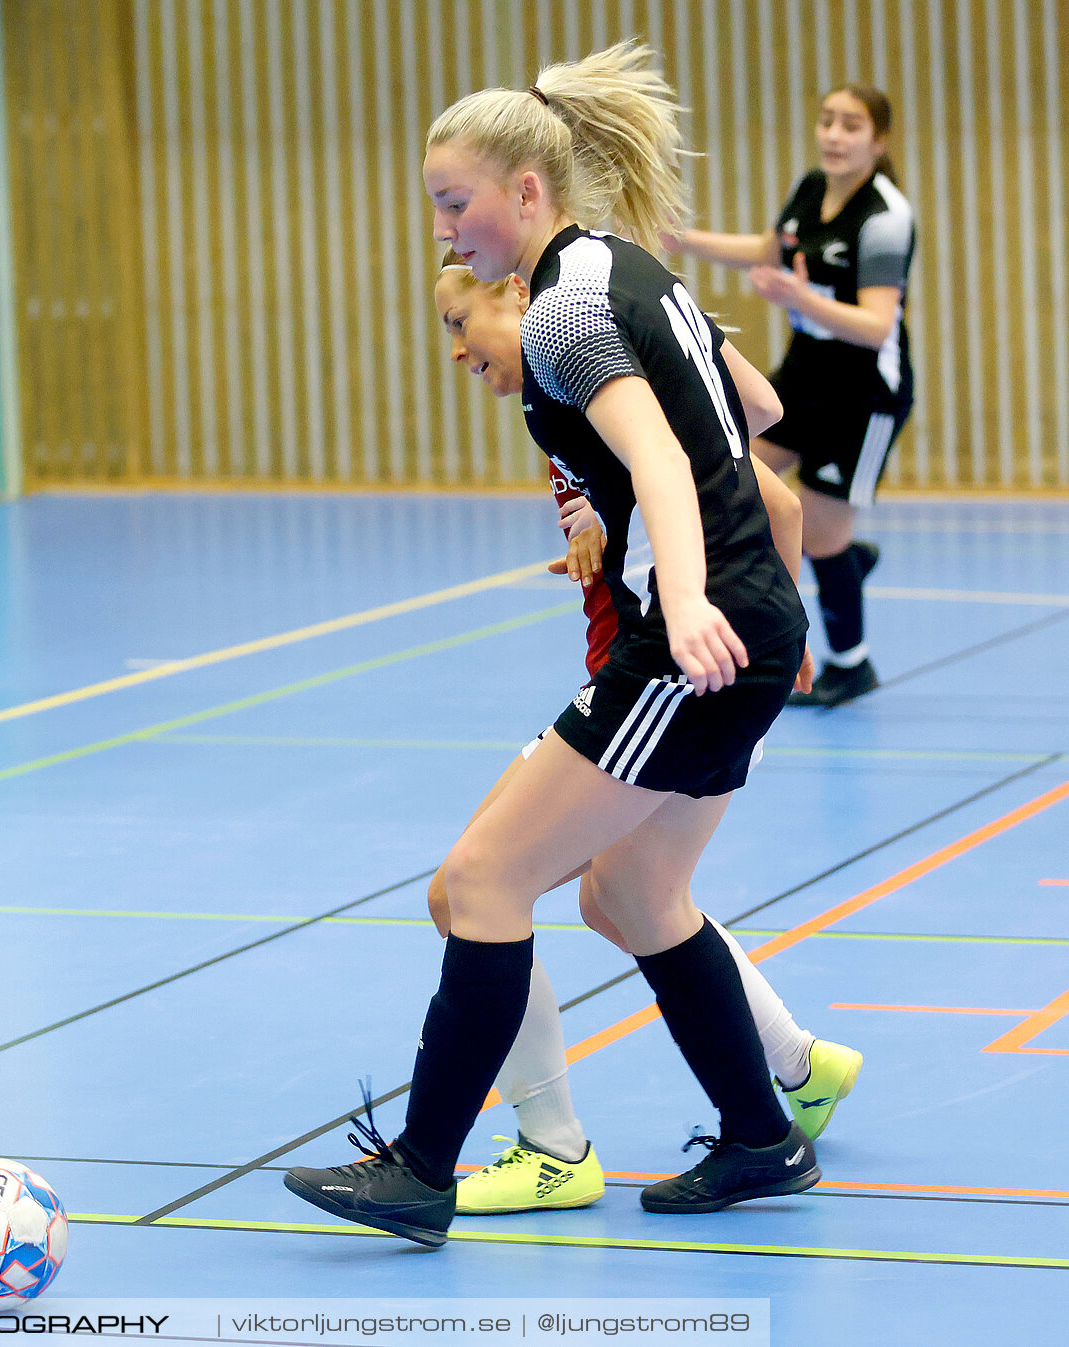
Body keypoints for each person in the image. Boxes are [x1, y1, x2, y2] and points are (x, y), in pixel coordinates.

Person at [284, 40, 821, 1248]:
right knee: (633, 891)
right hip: (752, 625)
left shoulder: (571, 308)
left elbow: (668, 460)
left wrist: (678, 593)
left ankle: (422, 1169)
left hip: (696, 642)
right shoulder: (630, 273)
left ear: (526, 193)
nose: (443, 225)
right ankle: (761, 1137)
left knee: (481, 882)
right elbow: (762, 413)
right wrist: (631, 521)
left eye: (454, 200)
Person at [430, 258, 861, 1217]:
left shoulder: (595, 365)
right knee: (630, 895)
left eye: (464, 320)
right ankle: (793, 1070)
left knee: (473, 887)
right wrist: (601, 532)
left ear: (516, 293)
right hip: (660, 665)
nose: (457, 351)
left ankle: (550, 1148)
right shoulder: (571, 407)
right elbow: (742, 411)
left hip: (667, 669)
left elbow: (776, 493)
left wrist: (755, 637)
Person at [666, 85, 915, 707]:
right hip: (805, 372)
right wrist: (682, 241)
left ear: (877, 142)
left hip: (864, 389)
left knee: (820, 536)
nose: (834, 134)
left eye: (851, 125)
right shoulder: (810, 188)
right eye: (827, 120)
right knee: (733, 470)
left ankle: (851, 664)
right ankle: (847, 558)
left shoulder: (885, 216)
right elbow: (767, 251)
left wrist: (799, 300)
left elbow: (878, 324)